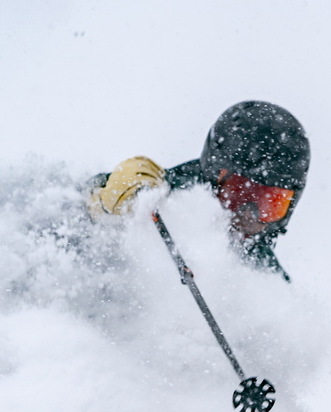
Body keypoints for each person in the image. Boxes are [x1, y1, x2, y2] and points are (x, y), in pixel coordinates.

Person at [88, 101, 310, 282]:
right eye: (237, 194)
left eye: (270, 205)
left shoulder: (266, 274)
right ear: (214, 177)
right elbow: (89, 198)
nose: (248, 214)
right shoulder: (165, 200)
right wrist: (119, 189)